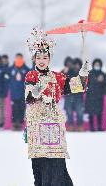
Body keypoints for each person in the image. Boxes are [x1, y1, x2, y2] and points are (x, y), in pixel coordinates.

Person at [25, 27, 90, 186]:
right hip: (38, 125)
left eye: (45, 57)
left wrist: (83, 74)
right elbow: (28, 97)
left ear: (49, 58)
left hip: (54, 127)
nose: (41, 60)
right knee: (41, 164)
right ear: (34, 58)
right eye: (38, 57)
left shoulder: (58, 77)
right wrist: (35, 91)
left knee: (57, 163)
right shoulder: (31, 76)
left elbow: (76, 86)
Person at [8, 53, 30, 130]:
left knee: (22, 108)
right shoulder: (11, 69)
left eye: (20, 58)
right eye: (17, 58)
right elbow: (6, 76)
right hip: (14, 92)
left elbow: (31, 76)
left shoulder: (26, 69)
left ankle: (20, 123)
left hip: (23, 92)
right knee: (14, 109)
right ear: (15, 58)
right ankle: (14, 124)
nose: (19, 59)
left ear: (23, 59)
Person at [64, 58, 85, 131]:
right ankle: (70, 126)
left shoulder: (82, 74)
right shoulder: (68, 72)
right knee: (69, 111)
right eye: (75, 64)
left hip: (78, 96)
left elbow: (85, 84)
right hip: (69, 95)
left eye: (78, 65)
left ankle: (80, 126)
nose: (77, 66)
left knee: (79, 111)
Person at [85, 59, 106, 131]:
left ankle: (99, 127)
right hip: (90, 96)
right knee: (91, 113)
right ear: (93, 65)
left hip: (99, 96)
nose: (97, 66)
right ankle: (91, 127)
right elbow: (85, 84)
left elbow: (105, 85)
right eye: (96, 64)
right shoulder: (89, 73)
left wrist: (102, 81)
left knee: (99, 112)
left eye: (98, 65)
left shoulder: (103, 74)